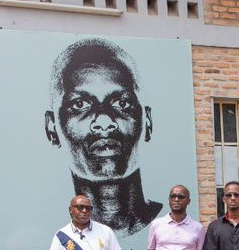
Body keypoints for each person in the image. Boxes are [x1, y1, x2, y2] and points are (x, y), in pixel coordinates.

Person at [44, 38, 162, 236]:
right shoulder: (55, 229)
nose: (104, 120)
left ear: (147, 121)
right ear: (52, 127)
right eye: (80, 104)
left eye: (121, 103)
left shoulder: (163, 224)